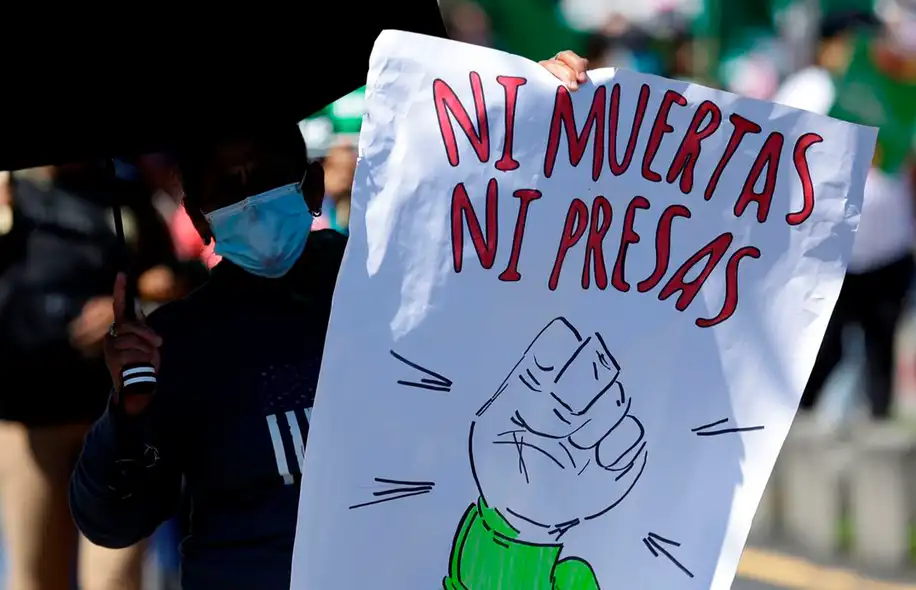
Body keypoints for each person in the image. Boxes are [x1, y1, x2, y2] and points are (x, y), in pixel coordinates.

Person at [69, 52, 592, 590]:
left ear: (313, 188)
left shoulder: (395, 282)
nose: (251, 201)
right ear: (201, 219)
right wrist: (127, 418)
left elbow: (513, 253)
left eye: (268, 176)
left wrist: (534, 104)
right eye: (229, 188)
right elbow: (109, 523)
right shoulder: (178, 344)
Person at [773, 10, 916, 427]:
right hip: (827, 254)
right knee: (824, 350)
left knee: (880, 349)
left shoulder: (900, 87)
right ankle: (790, 435)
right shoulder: (809, 90)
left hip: (888, 249)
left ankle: (880, 437)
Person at [0, 162, 180, 590]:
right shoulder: (8, 193)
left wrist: (128, 304)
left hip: (114, 416)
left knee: (115, 577)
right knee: (37, 577)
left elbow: (169, 273)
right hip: (29, 419)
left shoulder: (123, 194)